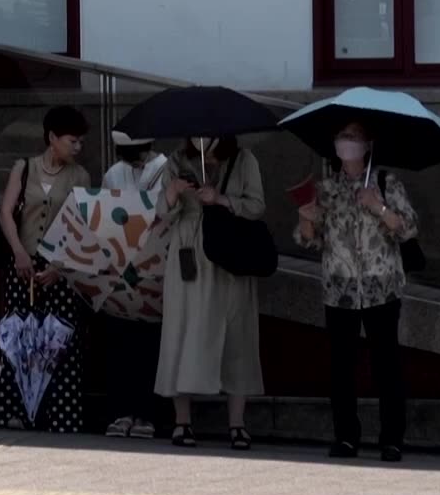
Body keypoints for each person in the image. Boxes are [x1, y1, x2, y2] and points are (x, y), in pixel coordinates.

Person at [296, 121, 417, 462]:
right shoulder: (328, 189)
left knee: (386, 364)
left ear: (367, 145)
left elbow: (408, 228)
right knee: (341, 366)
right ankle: (346, 436)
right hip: (340, 289)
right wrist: (306, 218)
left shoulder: (385, 182)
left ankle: (392, 438)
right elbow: (310, 239)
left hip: (381, 287)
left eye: (353, 137)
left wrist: (377, 206)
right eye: (342, 136)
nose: (346, 144)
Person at [158, 135, 266, 451]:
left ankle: (237, 423)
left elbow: (258, 206)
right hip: (189, 250)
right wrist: (173, 192)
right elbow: (161, 215)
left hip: (231, 251)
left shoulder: (244, 160)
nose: (201, 134)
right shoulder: (175, 161)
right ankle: (182, 421)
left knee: (236, 332)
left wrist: (221, 200)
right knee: (183, 328)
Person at [0, 105, 91, 433]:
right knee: (19, 339)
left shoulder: (80, 176)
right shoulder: (24, 168)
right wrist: (19, 252)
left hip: (59, 270)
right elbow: (6, 213)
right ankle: (16, 411)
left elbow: (81, 227)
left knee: (59, 342)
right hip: (23, 265)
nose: (77, 148)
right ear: (52, 138)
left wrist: (60, 267)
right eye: (72, 141)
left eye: (80, 142)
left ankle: (60, 416)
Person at [98, 131, 172, 439]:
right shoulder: (114, 173)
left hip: (156, 268)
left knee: (151, 346)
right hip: (120, 267)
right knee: (120, 345)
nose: (132, 159)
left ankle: (147, 415)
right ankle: (121, 412)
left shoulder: (167, 169)